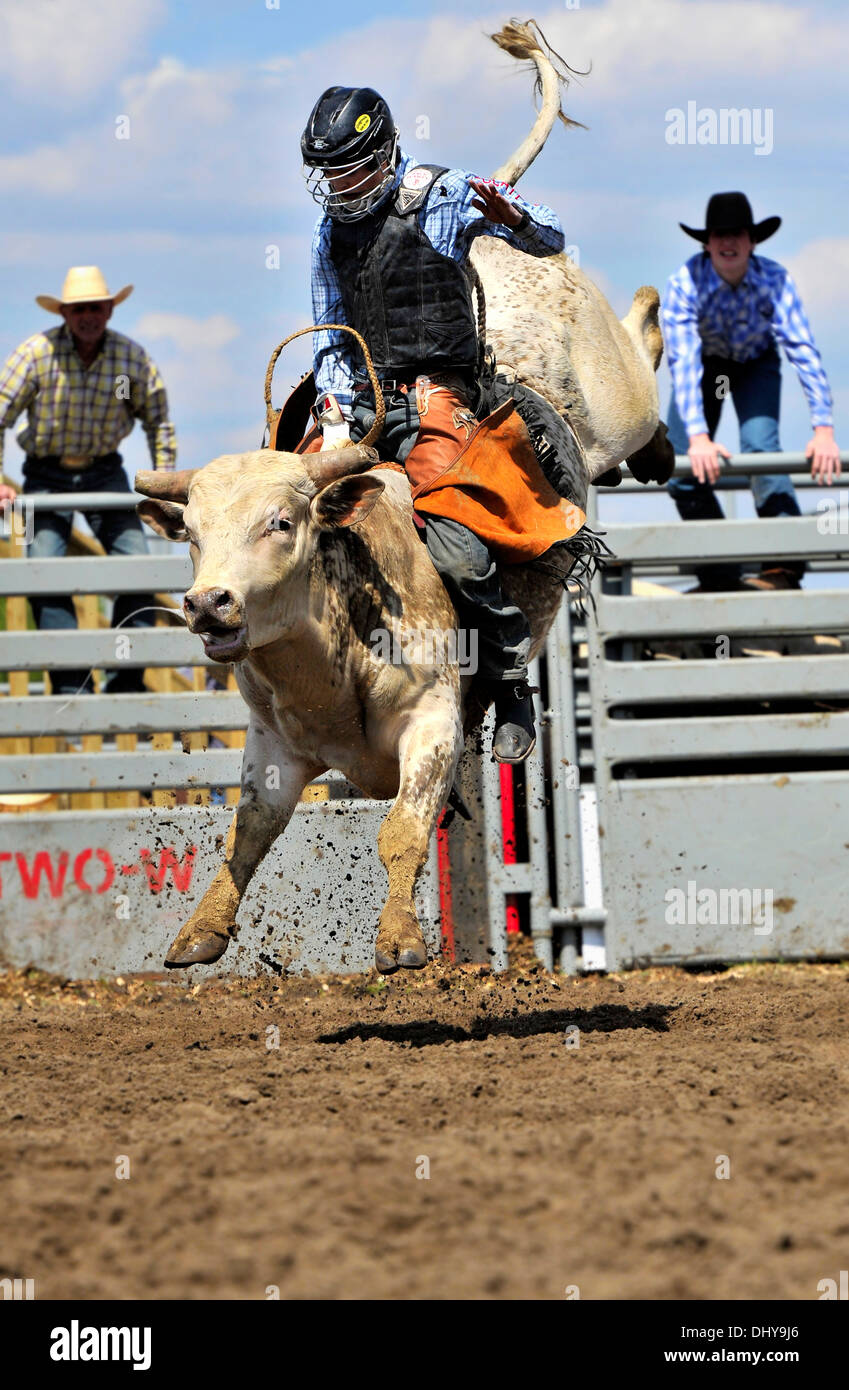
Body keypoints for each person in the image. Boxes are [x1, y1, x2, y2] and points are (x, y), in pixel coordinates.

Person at [301, 85, 576, 762]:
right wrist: (333, 414)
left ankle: (509, 678)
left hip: (439, 396)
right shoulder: (330, 227)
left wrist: (514, 216)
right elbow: (331, 333)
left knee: (453, 539)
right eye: (328, 174)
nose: (339, 185)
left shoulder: (442, 193)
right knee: (285, 506)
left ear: (384, 150)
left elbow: (549, 235)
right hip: (361, 398)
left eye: (349, 170)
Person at [0, 266, 177, 695]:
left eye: (95, 307)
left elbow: (159, 423)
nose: (88, 316)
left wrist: (166, 487)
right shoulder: (36, 354)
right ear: (64, 312)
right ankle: (70, 686)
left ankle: (124, 679)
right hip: (44, 475)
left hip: (104, 471)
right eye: (79, 309)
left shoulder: (129, 360)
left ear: (109, 311)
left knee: (138, 570)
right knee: (43, 573)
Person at [661, 192, 841, 591]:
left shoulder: (775, 280)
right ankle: (720, 567)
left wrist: (823, 429)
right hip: (705, 366)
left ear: (752, 241)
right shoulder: (684, 284)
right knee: (681, 464)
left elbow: (802, 349)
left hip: (756, 363)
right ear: (706, 243)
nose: (728, 243)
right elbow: (684, 362)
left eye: (737, 234)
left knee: (761, 447)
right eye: (720, 235)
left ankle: (784, 565)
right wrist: (699, 437)